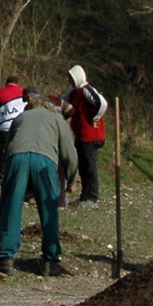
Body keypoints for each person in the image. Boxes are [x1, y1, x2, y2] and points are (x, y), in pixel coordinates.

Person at [0, 88, 78, 275]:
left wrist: (12, 183)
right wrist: (72, 179)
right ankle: (50, 259)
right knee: (48, 209)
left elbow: (9, 148)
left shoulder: (21, 118)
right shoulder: (57, 119)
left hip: (16, 159)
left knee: (11, 207)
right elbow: (70, 153)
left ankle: (6, 257)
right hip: (44, 160)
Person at [59, 66, 108, 207]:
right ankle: (85, 196)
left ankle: (92, 197)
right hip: (80, 135)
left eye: (71, 78)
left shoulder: (87, 90)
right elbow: (63, 104)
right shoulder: (73, 93)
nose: (69, 81)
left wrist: (94, 118)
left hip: (91, 135)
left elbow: (101, 103)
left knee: (90, 166)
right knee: (83, 166)